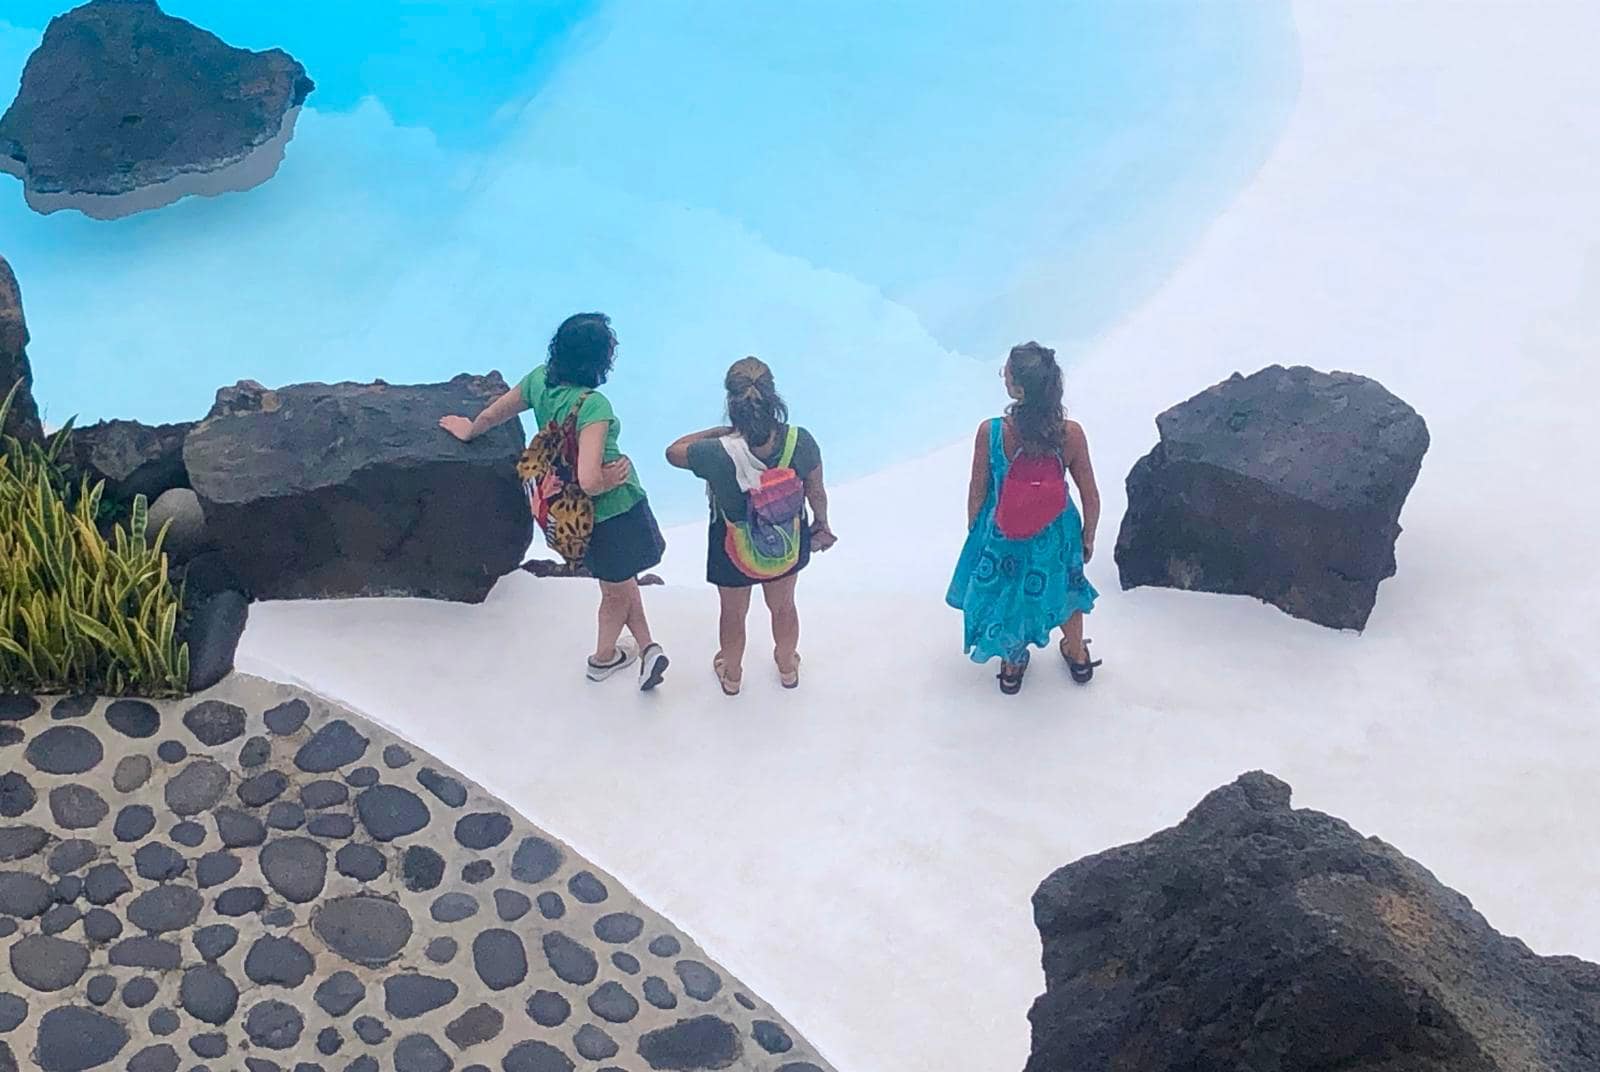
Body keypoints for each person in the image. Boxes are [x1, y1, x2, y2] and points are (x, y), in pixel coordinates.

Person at [440, 312, 669, 689]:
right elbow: (589, 480)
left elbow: (495, 413)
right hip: (610, 513)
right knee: (615, 593)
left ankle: (648, 650)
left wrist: (469, 430)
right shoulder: (593, 405)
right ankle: (603, 659)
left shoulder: (538, 381)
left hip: (569, 511)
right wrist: (612, 478)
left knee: (621, 580)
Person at [666, 357, 835, 695]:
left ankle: (732, 675)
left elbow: (673, 452)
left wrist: (719, 432)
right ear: (773, 397)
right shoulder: (800, 441)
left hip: (732, 547)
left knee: (732, 614)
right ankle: (787, 667)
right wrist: (821, 523)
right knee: (784, 607)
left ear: (732, 402)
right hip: (786, 539)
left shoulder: (715, 452)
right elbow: (816, 491)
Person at [946, 341, 1100, 694]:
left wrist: (978, 532)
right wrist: (1088, 536)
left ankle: (1012, 665)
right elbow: (1090, 495)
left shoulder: (991, 432)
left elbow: (977, 489)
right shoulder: (1071, 434)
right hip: (1056, 532)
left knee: (1010, 595)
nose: (1004, 376)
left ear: (1016, 389)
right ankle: (1077, 654)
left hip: (1005, 531)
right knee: (1068, 590)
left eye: (1007, 373)